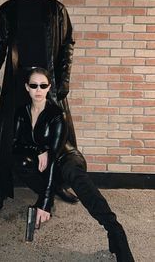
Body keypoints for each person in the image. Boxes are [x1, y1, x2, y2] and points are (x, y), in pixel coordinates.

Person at [0, 0, 81, 212]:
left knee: (57, 138)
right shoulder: (9, 9)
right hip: (17, 82)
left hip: (47, 83)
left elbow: (67, 47)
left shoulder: (56, 10)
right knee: (8, 137)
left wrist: (63, 81)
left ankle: (58, 183)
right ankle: (1, 188)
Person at [13, 67, 134, 262]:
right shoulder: (22, 112)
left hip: (66, 157)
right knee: (19, 162)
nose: (38, 90)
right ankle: (54, 190)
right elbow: (16, 143)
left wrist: (45, 203)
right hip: (45, 157)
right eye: (33, 85)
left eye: (43, 85)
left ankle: (115, 230)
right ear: (27, 87)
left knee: (77, 178)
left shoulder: (57, 114)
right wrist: (38, 150)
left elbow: (53, 157)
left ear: (49, 87)